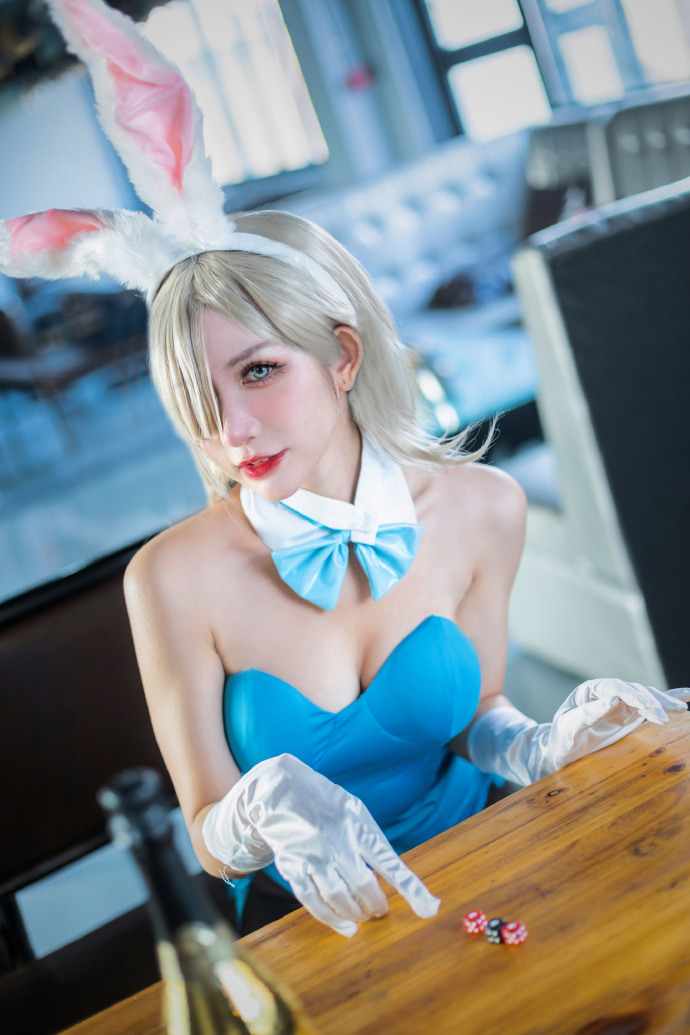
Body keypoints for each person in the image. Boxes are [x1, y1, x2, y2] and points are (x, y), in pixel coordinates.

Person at [2, 0, 688, 940]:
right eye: (196, 395)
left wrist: (541, 741)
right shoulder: (170, 578)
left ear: (343, 357)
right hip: (316, 923)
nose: (229, 428)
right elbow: (208, 835)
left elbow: (478, 714)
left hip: (494, 862)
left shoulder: (485, 506)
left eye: (259, 371)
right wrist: (255, 809)